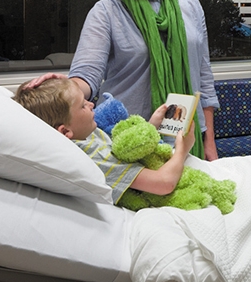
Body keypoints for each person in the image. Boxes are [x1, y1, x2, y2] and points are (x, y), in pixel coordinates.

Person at [24, 0, 219, 160]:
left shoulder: (190, 4)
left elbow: (203, 76)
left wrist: (209, 140)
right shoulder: (106, 12)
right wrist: (64, 88)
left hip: (187, 135)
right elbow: (88, 72)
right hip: (131, 139)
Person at [14, 77, 193, 207]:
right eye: (83, 106)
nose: (91, 105)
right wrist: (182, 149)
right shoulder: (91, 156)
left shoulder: (85, 134)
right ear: (65, 131)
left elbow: (123, 152)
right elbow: (163, 183)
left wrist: (151, 127)